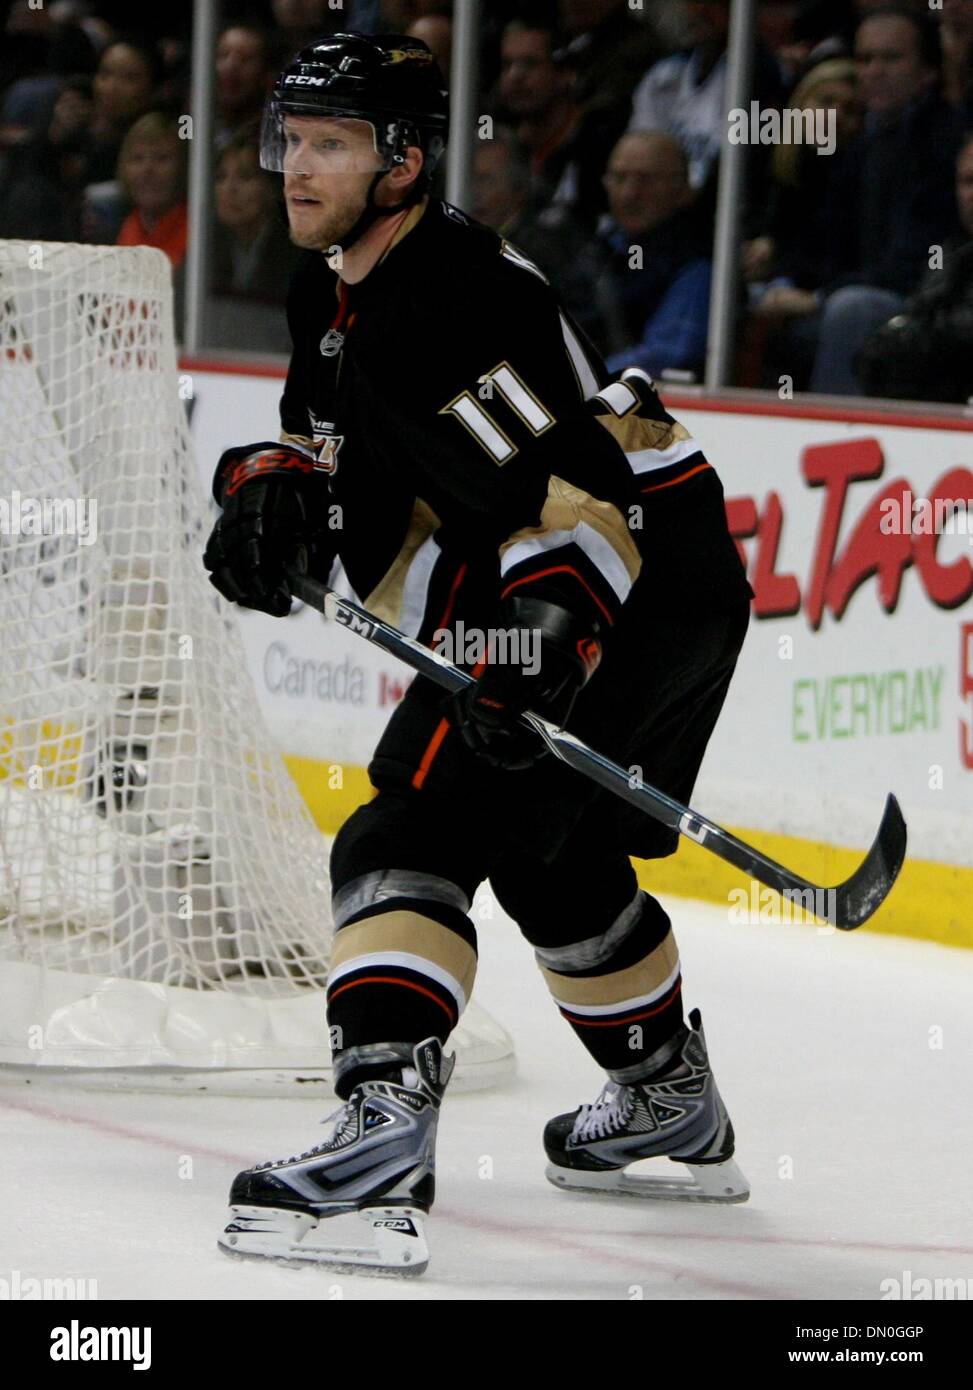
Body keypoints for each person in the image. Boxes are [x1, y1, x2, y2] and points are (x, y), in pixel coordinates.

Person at [204, 31, 752, 1276]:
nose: (293, 166)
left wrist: (537, 652)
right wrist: (271, 493)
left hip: (631, 575)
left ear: (401, 162)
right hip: (621, 572)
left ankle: (383, 1122)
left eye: (328, 144)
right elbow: (329, 444)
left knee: (405, 833)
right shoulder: (331, 279)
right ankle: (667, 1090)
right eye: (287, 137)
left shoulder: (458, 298)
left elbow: (581, 497)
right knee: (545, 849)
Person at [596, 130, 712, 380]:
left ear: (682, 188)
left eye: (646, 180)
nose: (630, 193)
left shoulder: (695, 262)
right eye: (619, 178)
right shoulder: (597, 247)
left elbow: (666, 354)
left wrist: (579, 377)